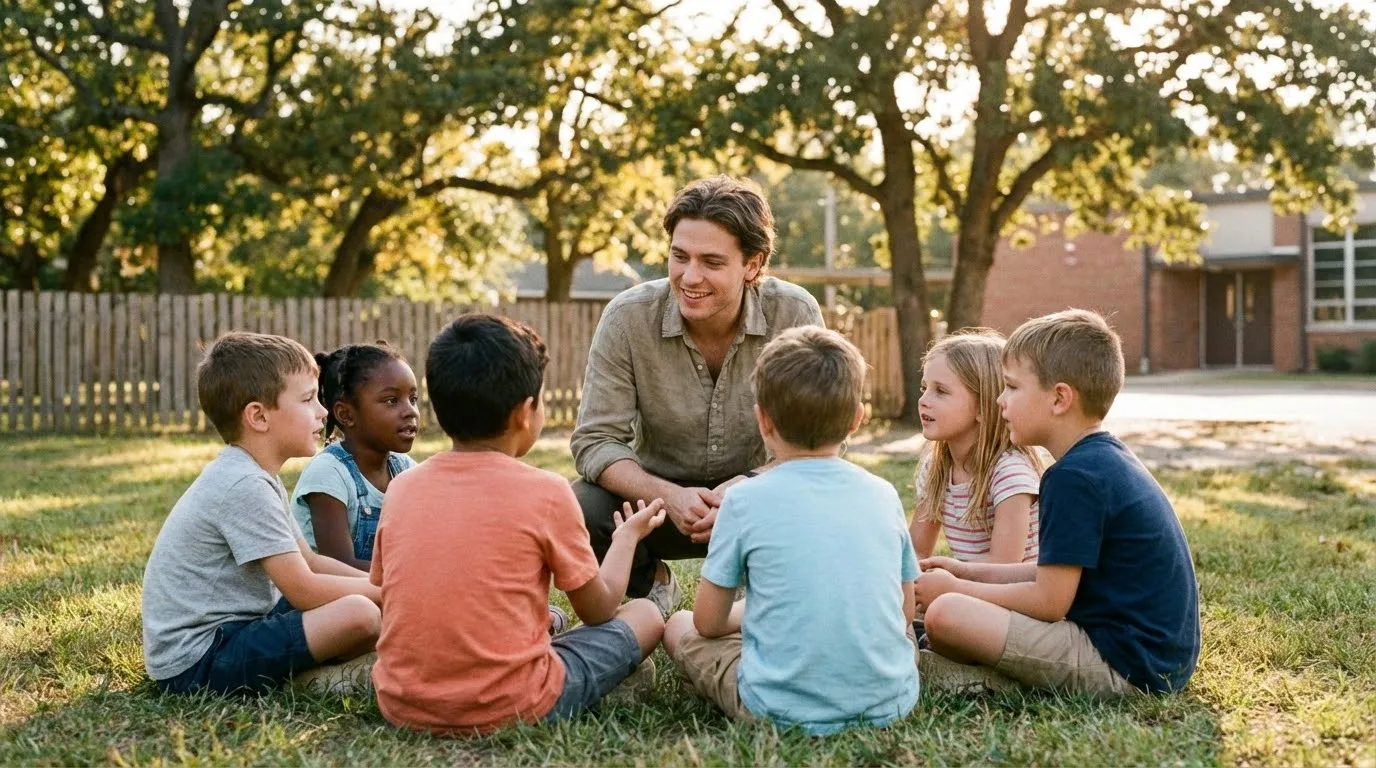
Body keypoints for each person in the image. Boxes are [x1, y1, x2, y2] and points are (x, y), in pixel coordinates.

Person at [370, 314, 667, 735]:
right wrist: (626, 538)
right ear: (525, 412)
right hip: (516, 703)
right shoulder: (546, 491)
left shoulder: (402, 488)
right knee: (645, 614)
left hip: (401, 702)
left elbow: (389, 592)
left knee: (544, 619)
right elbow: (599, 609)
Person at [570, 176, 824, 613]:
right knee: (581, 505)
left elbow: (821, 439)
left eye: (711, 262)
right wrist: (670, 496)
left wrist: (748, 488)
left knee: (824, 495)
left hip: (760, 499)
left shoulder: (795, 313)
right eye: (679, 256)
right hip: (658, 507)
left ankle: (760, 584)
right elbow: (596, 442)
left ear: (753, 264)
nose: (690, 277)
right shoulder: (628, 319)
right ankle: (652, 582)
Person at [916, 309, 1202, 696]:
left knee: (946, 614)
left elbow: (1048, 601)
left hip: (1127, 665)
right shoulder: (1097, 460)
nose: (1000, 400)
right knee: (948, 606)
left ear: (1059, 398)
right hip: (1149, 657)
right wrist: (963, 572)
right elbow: (1045, 573)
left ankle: (987, 682)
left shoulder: (1074, 478)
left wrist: (956, 590)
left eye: (1012, 387)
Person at [662, 326, 920, 735]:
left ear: (762, 420)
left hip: (774, 707)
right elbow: (904, 613)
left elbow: (709, 623)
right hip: (890, 701)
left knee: (679, 625)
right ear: (857, 420)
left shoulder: (743, 501)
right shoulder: (884, 494)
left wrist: (753, 617)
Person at [141, 331, 381, 695]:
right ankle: (306, 683)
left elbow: (311, 563)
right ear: (258, 416)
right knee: (361, 615)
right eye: (308, 399)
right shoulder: (243, 485)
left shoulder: (255, 475)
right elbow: (304, 589)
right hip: (198, 661)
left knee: (365, 607)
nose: (323, 411)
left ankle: (316, 667)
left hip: (242, 627)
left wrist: (381, 585)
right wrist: (389, 594)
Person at [911, 330, 1042, 565]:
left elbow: (1003, 567)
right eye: (924, 388)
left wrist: (947, 582)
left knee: (943, 602)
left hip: (1011, 596)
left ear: (983, 407)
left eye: (940, 391)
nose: (923, 400)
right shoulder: (936, 468)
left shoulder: (1010, 474)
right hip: (966, 590)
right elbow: (917, 552)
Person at [291, 342, 419, 571]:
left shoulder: (405, 470)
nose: (410, 411)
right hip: (332, 599)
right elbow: (339, 565)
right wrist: (411, 576)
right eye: (392, 400)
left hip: (384, 590)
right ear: (346, 414)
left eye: (413, 399)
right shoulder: (329, 474)